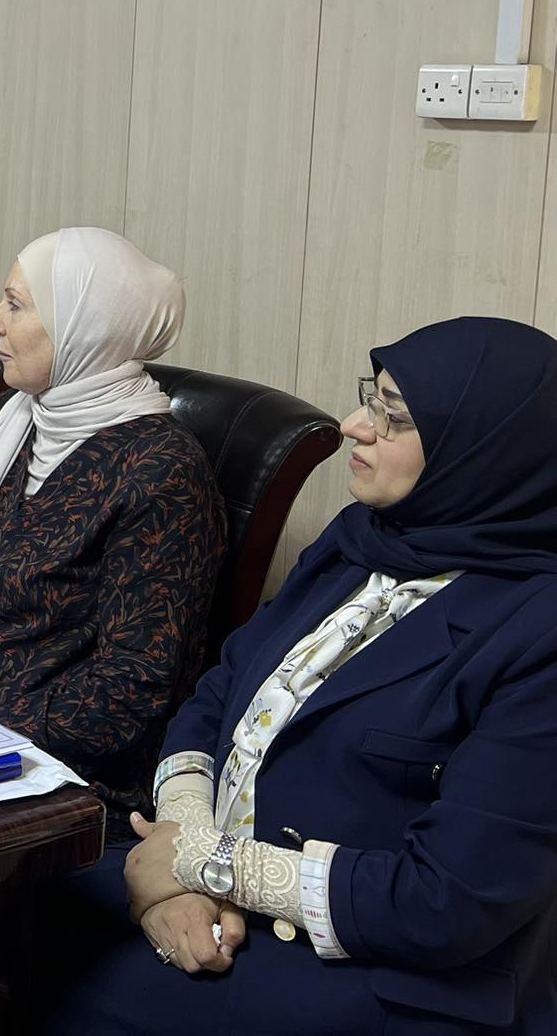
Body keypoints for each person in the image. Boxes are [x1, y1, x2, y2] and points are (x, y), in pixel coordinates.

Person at [35, 317, 557, 1035]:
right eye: (369, 399)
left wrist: (206, 863)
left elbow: (446, 901)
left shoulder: (537, 632)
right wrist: (180, 860)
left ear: (484, 452)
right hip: (221, 908)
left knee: (55, 990)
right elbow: (220, 693)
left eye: (393, 417)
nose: (353, 426)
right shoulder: (363, 540)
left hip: (374, 976)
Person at [0, 227, 223, 834]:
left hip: (41, 766)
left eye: (15, 305)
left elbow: (133, 688)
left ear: (83, 327)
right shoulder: (12, 419)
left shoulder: (160, 470)